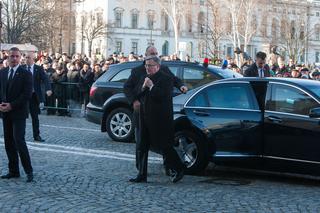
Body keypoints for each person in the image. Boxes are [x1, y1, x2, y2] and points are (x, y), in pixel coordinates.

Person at [124, 46, 187, 177]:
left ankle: (170, 168)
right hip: (142, 112)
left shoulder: (163, 70)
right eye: (152, 54)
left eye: (156, 53)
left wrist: (181, 85)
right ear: (145, 55)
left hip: (158, 114)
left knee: (163, 143)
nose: (155, 55)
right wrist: (134, 101)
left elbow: (172, 82)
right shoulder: (137, 71)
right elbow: (128, 88)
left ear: (157, 66)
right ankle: (141, 172)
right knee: (141, 143)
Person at [0, 47, 34, 182]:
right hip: (5, 112)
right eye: (12, 56)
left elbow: (26, 95)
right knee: (8, 142)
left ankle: (29, 171)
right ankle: (13, 171)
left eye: (16, 56)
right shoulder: (2, 73)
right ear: (7, 57)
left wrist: (11, 105)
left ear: (20, 58)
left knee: (19, 140)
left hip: (18, 113)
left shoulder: (26, 74)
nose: (14, 59)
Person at [25, 52, 52, 142]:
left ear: (33, 59)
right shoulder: (22, 68)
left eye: (29, 57)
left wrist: (48, 89)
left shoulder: (38, 69)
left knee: (35, 117)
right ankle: (20, 135)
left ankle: (36, 135)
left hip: (33, 96)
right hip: (23, 97)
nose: (27, 59)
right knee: (21, 117)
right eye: (26, 57)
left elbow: (45, 79)